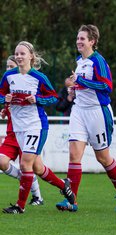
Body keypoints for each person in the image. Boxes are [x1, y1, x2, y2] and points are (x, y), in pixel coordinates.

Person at [56, 24, 116, 213]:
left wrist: (81, 82)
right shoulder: (79, 61)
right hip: (79, 111)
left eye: (82, 38)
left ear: (92, 41)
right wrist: (75, 89)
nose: (78, 41)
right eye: (78, 38)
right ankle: (71, 200)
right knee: (74, 154)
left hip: (98, 112)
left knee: (103, 158)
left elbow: (107, 86)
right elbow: (85, 86)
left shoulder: (98, 61)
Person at [0, 41, 75, 214]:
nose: (19, 56)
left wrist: (38, 99)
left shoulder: (39, 77)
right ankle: (64, 185)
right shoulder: (9, 76)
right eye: (16, 53)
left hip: (36, 126)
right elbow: (1, 94)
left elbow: (53, 98)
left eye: (22, 53)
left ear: (31, 56)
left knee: (26, 164)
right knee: (37, 168)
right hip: (18, 128)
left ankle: (20, 206)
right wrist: (5, 100)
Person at [0, 55, 44, 206]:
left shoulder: (28, 81)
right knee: (2, 162)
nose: (9, 69)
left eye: (11, 66)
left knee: (36, 167)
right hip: (12, 133)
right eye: (7, 66)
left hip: (28, 129)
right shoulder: (9, 82)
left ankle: (38, 196)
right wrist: (5, 109)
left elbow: (48, 98)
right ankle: (25, 179)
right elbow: (5, 102)